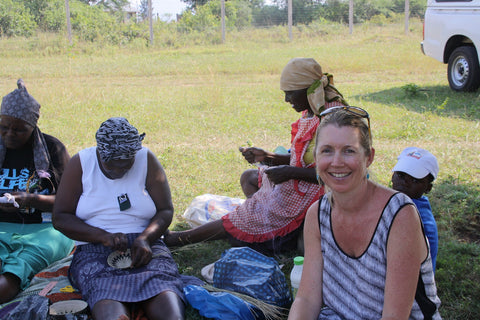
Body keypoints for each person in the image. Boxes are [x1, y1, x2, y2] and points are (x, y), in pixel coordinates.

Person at [164, 57, 348, 255]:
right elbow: (301, 158)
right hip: (301, 183)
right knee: (249, 179)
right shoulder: (312, 109)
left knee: (241, 224)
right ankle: (265, 224)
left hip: (320, 190)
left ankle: (178, 239)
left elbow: (338, 174)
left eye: (290, 94)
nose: (287, 100)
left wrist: (289, 172)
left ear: (307, 90)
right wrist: (266, 156)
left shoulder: (333, 118)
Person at [288, 106, 441, 320]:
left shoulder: (399, 215)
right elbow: (307, 299)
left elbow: (394, 316)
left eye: (349, 150)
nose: (337, 162)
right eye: (327, 150)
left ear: (368, 157)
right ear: (316, 157)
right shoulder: (318, 214)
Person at [53, 117, 185, 320]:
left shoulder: (146, 159)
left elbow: (165, 210)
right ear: (100, 153)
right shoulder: (81, 163)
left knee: (167, 300)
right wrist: (101, 236)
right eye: (111, 166)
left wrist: (145, 238)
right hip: (93, 246)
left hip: (146, 245)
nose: (118, 171)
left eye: (125, 166)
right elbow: (60, 217)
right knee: (108, 304)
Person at [0, 79, 74, 303]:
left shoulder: (52, 149)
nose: (9, 134)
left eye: (19, 129)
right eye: (3, 127)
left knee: (13, 274)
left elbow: (71, 201)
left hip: (45, 230)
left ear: (33, 128)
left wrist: (30, 199)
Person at [392, 147, 439, 271]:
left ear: (428, 188)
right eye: (401, 175)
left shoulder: (419, 220)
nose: (405, 182)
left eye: (415, 180)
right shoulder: (395, 201)